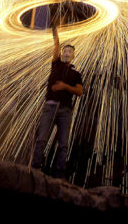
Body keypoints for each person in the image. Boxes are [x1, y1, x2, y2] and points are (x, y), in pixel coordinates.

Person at [31, 26, 84, 179]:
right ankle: (35, 170)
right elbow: (56, 44)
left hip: (65, 111)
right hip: (50, 107)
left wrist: (65, 86)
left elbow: (80, 92)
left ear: (73, 56)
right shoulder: (55, 64)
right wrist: (55, 30)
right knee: (41, 140)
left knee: (63, 144)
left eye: (69, 51)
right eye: (64, 51)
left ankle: (59, 175)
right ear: (61, 54)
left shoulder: (76, 74)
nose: (66, 53)